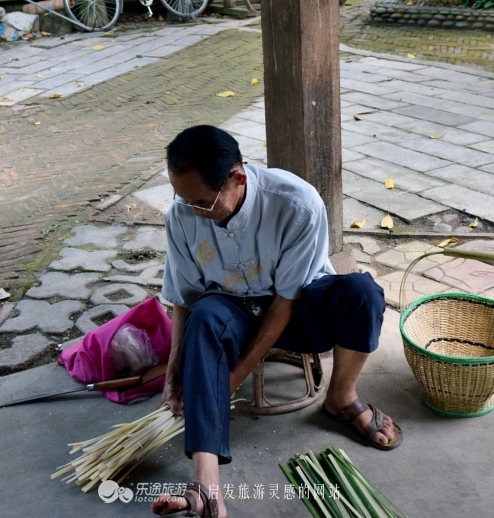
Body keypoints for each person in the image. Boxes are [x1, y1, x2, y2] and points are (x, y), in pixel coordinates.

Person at [150, 126, 400, 518]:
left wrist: (230, 381)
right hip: (230, 308)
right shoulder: (183, 214)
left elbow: (284, 303)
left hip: (296, 308)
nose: (194, 212)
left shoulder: (296, 203)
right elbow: (183, 299)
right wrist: (173, 372)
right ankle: (204, 485)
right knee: (204, 318)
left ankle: (342, 397)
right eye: (184, 200)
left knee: (361, 294)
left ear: (238, 178)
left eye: (203, 202)